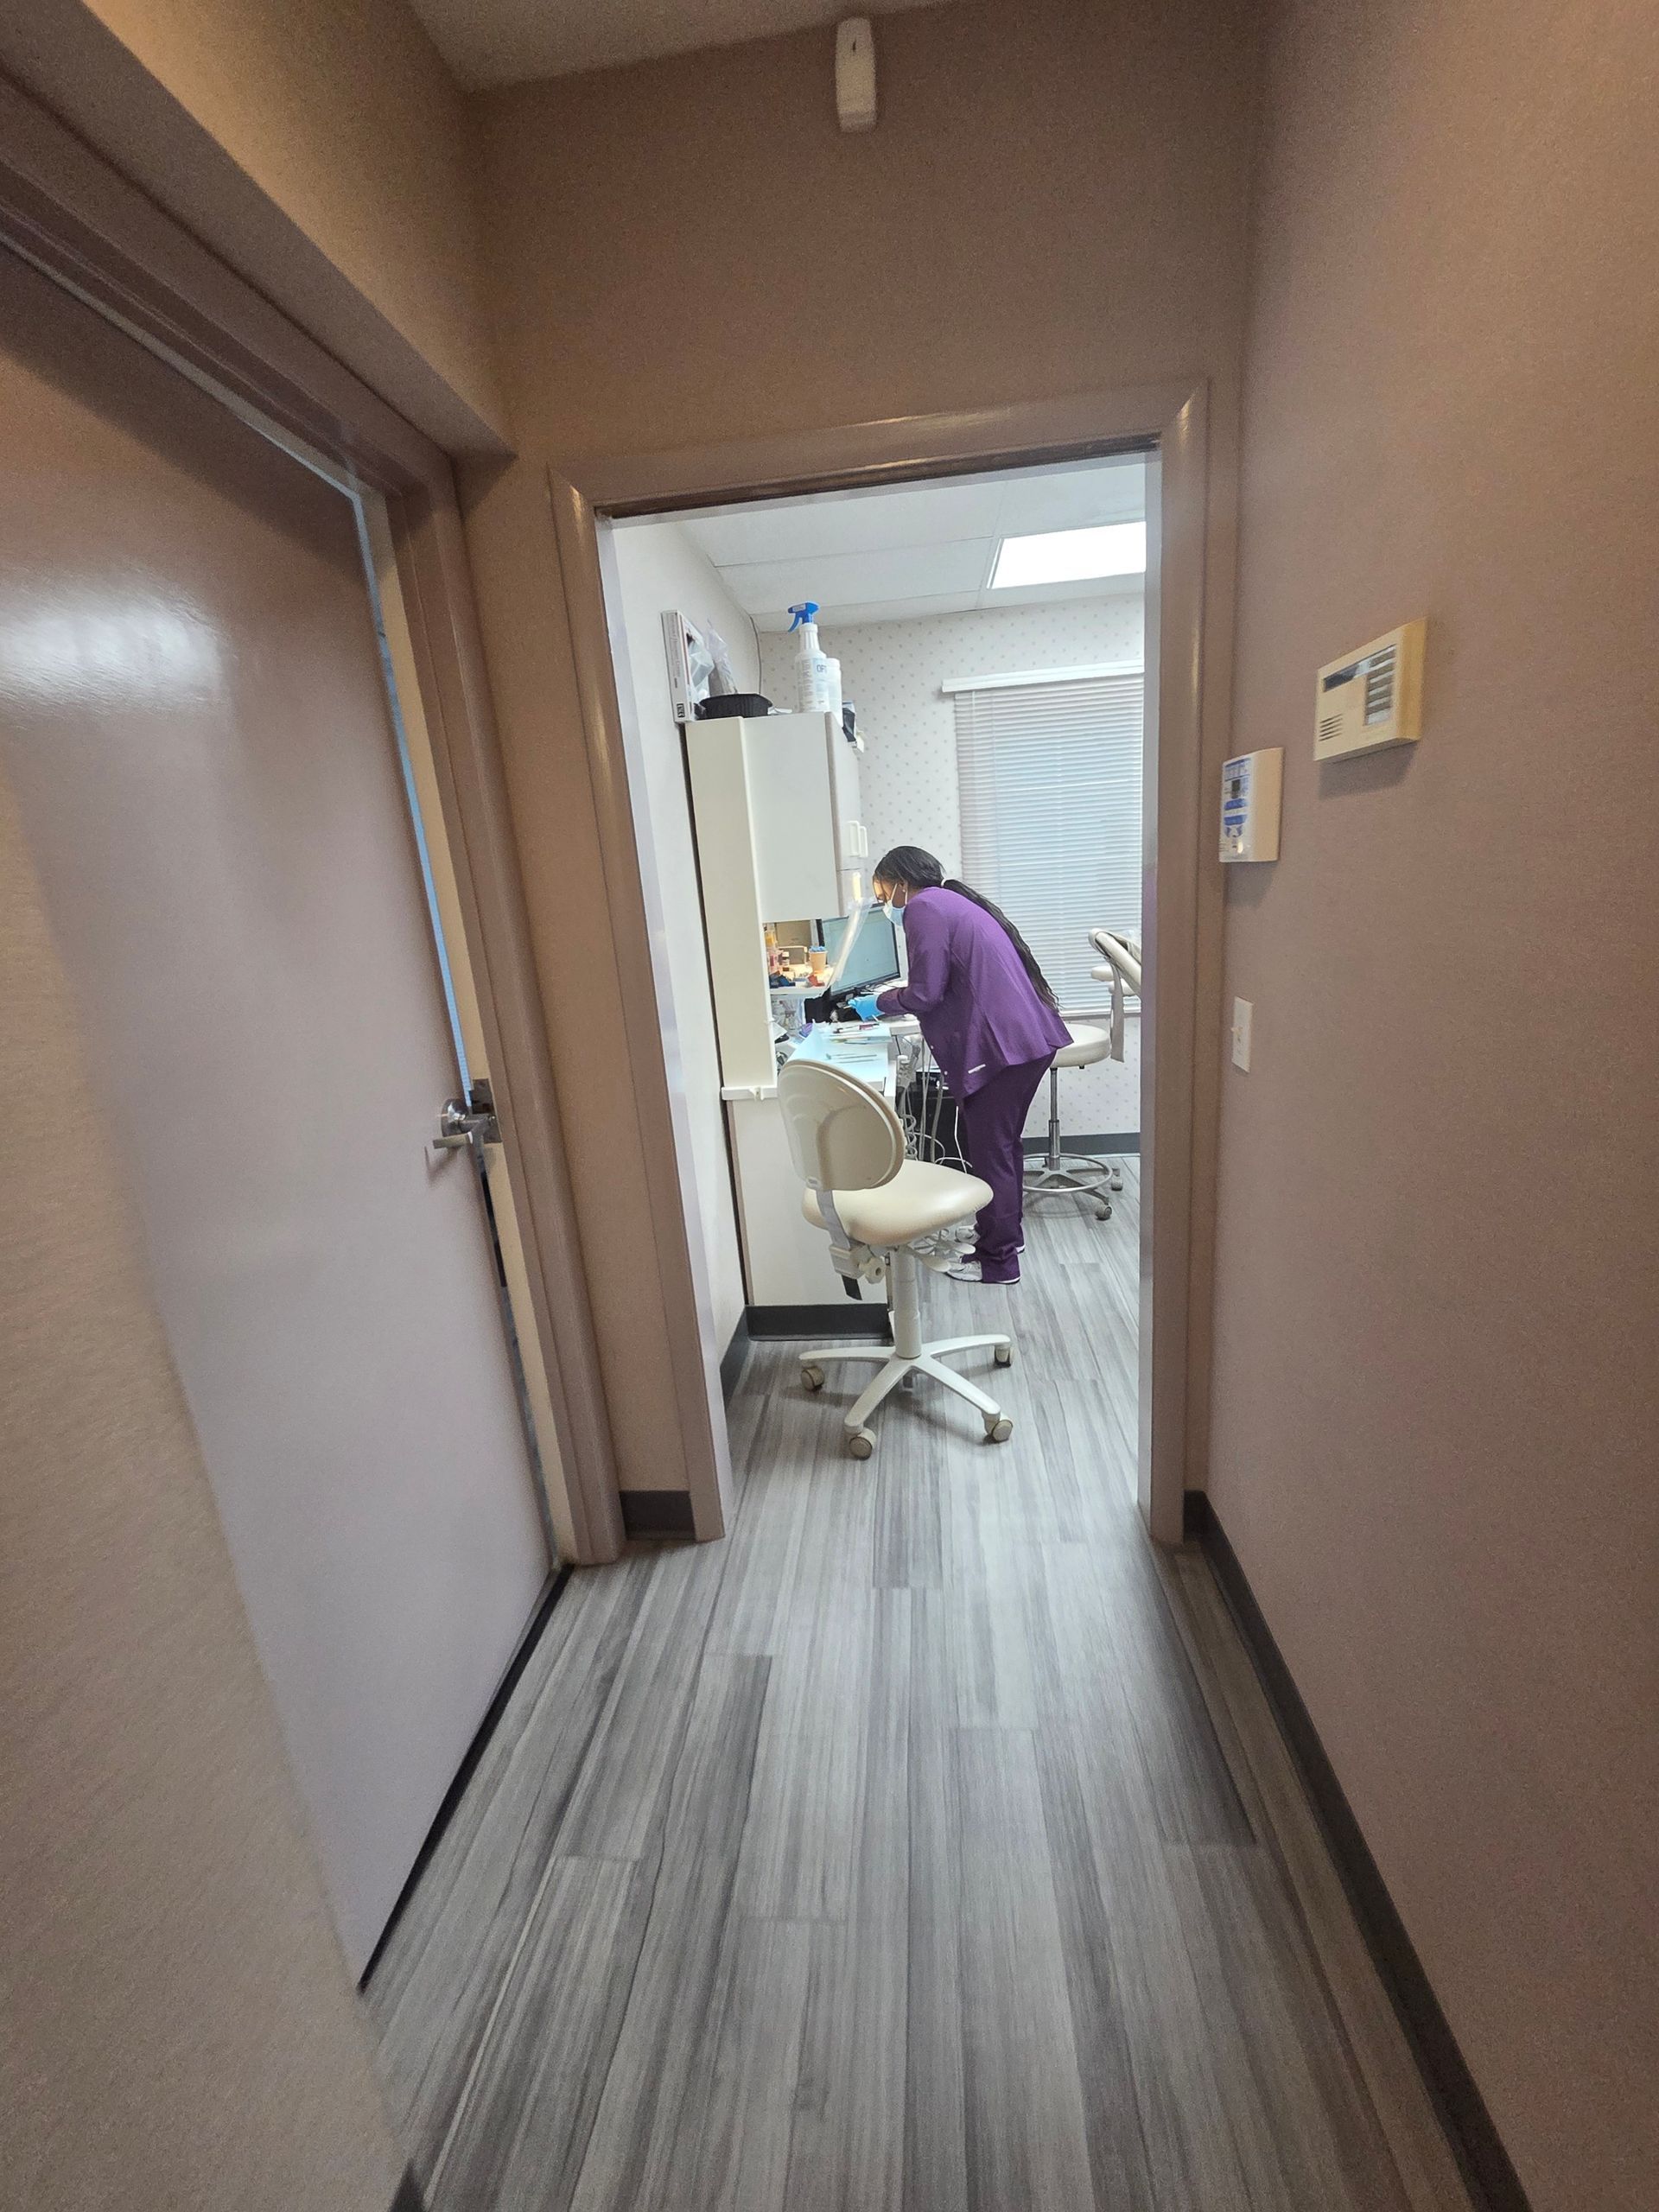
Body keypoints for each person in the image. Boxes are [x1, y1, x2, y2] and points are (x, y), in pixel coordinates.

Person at [849, 845, 1069, 1286]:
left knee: (990, 1153)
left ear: (900, 884)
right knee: (1002, 1147)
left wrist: (878, 1003)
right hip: (1027, 1041)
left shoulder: (923, 907)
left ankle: (998, 1263)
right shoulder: (950, 901)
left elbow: (926, 993)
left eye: (881, 892)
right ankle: (1006, 1237)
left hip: (1004, 1049)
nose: (883, 902)